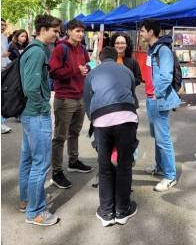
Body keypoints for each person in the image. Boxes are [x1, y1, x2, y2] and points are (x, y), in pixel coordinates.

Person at [84, 47, 138, 227]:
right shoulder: (127, 71)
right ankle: (123, 211)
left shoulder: (92, 73)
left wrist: (94, 120)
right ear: (117, 58)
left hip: (101, 120)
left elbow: (87, 100)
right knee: (124, 165)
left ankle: (106, 212)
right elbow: (133, 97)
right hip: (127, 118)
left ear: (100, 59)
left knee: (105, 167)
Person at [19, 14, 61, 226]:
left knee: (28, 160)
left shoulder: (33, 50)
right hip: (36, 115)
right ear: (43, 29)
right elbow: (31, 87)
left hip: (29, 114)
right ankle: (35, 212)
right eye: (55, 30)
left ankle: (27, 201)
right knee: (40, 163)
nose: (57, 34)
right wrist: (44, 106)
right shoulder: (36, 52)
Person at [49, 19, 92, 189]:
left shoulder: (82, 48)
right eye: (77, 31)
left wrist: (89, 68)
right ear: (68, 31)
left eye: (82, 31)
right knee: (60, 136)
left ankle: (73, 161)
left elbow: (88, 64)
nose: (80, 34)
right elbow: (53, 72)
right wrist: (76, 70)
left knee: (74, 133)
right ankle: (56, 171)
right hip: (64, 98)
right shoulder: (61, 48)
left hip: (80, 97)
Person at [139, 19, 180, 192]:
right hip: (151, 98)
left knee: (164, 139)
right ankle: (160, 167)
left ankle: (170, 176)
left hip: (158, 99)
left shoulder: (162, 50)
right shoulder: (152, 49)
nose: (140, 33)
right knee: (157, 136)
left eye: (142, 30)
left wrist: (156, 93)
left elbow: (165, 76)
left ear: (151, 32)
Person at [1, 18, 12, 134]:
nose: (3, 27)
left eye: (4, 25)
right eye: (1, 25)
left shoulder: (4, 38)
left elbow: (6, 55)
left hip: (3, 69)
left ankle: (2, 123)